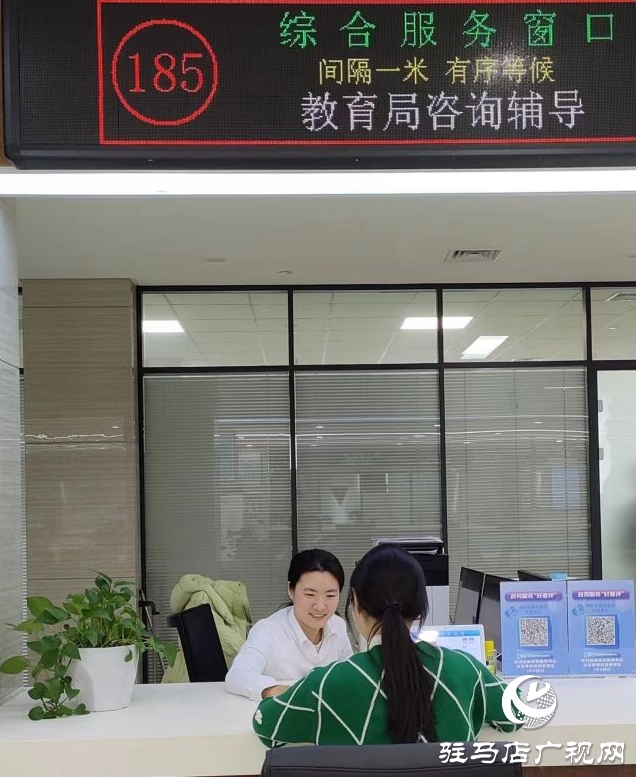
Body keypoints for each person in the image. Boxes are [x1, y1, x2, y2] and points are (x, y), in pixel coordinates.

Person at [253, 544, 518, 746]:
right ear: (420, 608)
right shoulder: (466, 670)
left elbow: (265, 725)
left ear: (355, 604)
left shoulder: (325, 683)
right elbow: (515, 712)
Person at [225, 548, 352, 700]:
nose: (320, 606)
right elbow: (237, 675)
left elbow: (350, 674)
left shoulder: (337, 625)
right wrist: (286, 692)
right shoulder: (268, 630)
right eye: (310, 594)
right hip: (279, 710)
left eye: (330, 595)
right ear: (291, 590)